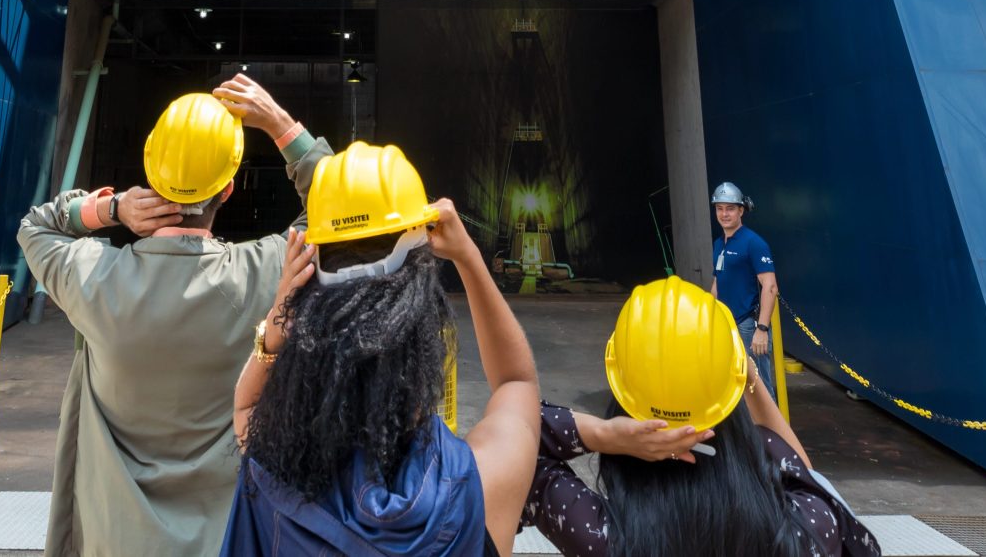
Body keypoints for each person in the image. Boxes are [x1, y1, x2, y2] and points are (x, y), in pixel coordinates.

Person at [19, 73, 330, 557]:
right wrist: (279, 123)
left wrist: (113, 210)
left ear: (150, 173)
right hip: (229, 537)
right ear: (229, 188)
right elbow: (337, 207)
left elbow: (37, 226)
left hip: (114, 539)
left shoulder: (94, 277)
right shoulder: (266, 271)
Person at [221, 141, 542, 556]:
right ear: (420, 321)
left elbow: (245, 407)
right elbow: (517, 382)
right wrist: (468, 258)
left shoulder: (273, 471)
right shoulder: (476, 485)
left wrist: (280, 316)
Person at [521, 277, 880, 557]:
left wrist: (606, 435)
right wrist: (747, 375)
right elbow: (803, 475)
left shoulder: (603, 539)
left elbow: (519, 432)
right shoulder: (806, 531)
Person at [709, 181, 778, 386]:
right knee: (732, 386)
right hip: (726, 325)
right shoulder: (719, 243)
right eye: (719, 209)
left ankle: (766, 420)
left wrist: (762, 329)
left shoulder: (753, 243)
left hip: (748, 327)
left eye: (730, 208)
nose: (724, 214)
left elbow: (770, 286)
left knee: (758, 388)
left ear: (741, 210)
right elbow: (717, 283)